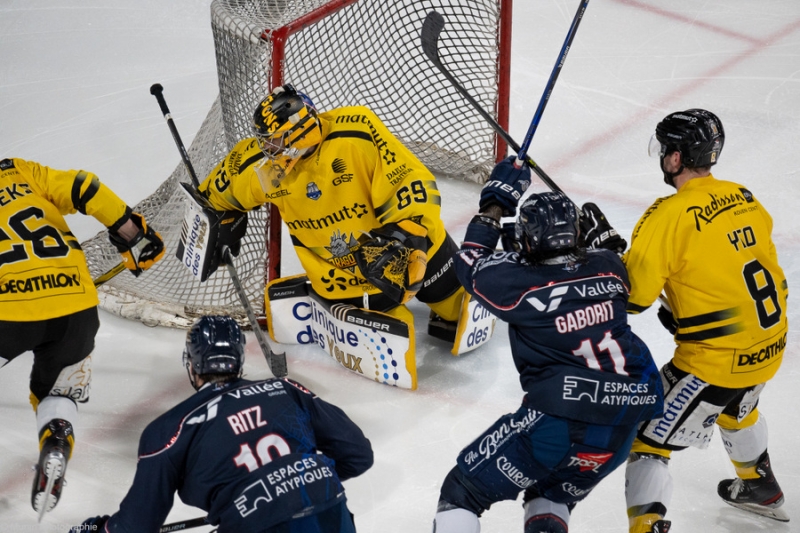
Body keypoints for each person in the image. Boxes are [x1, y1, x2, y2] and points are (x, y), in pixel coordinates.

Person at [431, 157, 664, 533]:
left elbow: (469, 260)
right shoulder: (610, 266)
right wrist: (601, 241)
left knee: (462, 492)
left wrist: (496, 201)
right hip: (627, 420)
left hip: (560, 419)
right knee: (551, 495)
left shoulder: (514, 284)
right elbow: (596, 260)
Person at [597, 108, 790, 531]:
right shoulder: (743, 196)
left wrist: (604, 257)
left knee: (646, 441)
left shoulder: (667, 214)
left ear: (676, 157)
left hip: (715, 363)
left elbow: (632, 300)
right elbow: (760, 274)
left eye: (666, 149)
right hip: (770, 346)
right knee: (736, 409)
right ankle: (760, 487)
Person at [197, 84, 469, 344]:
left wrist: (407, 233)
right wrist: (214, 218)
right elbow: (221, 187)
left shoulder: (356, 132)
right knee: (393, 327)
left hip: (406, 247)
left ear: (299, 131)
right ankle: (372, 313)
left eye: (275, 141)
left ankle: (447, 293)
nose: (267, 150)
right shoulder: (265, 167)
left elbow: (407, 179)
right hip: (341, 277)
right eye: (265, 142)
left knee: (456, 300)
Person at [71, 315, 374, 533]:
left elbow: (136, 526)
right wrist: (298, 480)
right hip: (329, 511)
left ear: (192, 365)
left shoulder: (169, 429)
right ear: (239, 359)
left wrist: (101, 529)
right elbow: (358, 454)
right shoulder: (285, 390)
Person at [0, 158, 164, 518]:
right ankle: (56, 437)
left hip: (8, 312)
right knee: (56, 393)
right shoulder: (15, 170)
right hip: (75, 304)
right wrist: (131, 232)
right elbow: (84, 186)